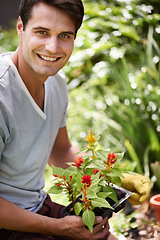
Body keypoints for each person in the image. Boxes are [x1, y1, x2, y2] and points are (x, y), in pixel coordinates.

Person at [0, 0, 150, 239]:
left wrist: (113, 179)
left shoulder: (56, 82)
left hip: (36, 208)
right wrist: (59, 228)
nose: (52, 47)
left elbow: (60, 152)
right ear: (20, 27)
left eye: (65, 36)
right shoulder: (2, 94)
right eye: (42, 32)